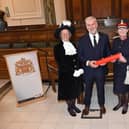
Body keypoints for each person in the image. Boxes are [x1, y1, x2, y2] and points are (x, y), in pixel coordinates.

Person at [78, 16, 111, 115]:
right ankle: (87, 106)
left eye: (93, 24)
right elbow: (80, 56)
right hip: (88, 70)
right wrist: (88, 62)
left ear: (96, 24)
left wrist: (106, 60)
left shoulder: (104, 37)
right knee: (88, 89)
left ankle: (102, 105)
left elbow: (108, 52)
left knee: (101, 88)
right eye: (88, 25)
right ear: (86, 26)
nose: (91, 27)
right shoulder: (82, 40)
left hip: (101, 69)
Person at [54, 20, 84, 117]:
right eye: (63, 34)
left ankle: (74, 105)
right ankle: (70, 107)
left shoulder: (74, 45)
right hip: (66, 74)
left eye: (67, 33)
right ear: (60, 35)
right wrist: (73, 71)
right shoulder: (57, 47)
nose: (65, 35)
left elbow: (78, 58)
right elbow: (61, 62)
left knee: (75, 91)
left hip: (76, 73)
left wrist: (80, 69)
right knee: (68, 93)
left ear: (70, 35)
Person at [112, 19, 129, 114]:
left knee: (126, 88)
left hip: (127, 69)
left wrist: (126, 60)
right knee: (118, 87)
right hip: (117, 69)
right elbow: (112, 53)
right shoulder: (115, 41)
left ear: (127, 30)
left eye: (124, 29)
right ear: (117, 31)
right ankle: (120, 103)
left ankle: (126, 104)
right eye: (120, 29)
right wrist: (112, 58)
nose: (122, 30)